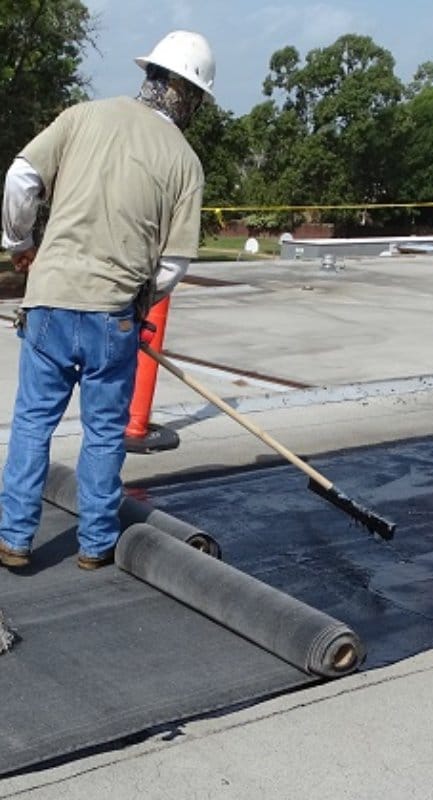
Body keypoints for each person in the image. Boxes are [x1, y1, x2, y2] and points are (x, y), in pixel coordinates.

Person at [0, 30, 215, 570]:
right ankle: (95, 546)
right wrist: (140, 303)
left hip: (49, 304)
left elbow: (21, 177)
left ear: (151, 76)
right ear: (188, 95)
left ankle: (14, 539)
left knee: (32, 425)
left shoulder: (82, 117)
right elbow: (173, 265)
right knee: (101, 436)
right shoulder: (184, 161)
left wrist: (20, 244)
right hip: (112, 317)